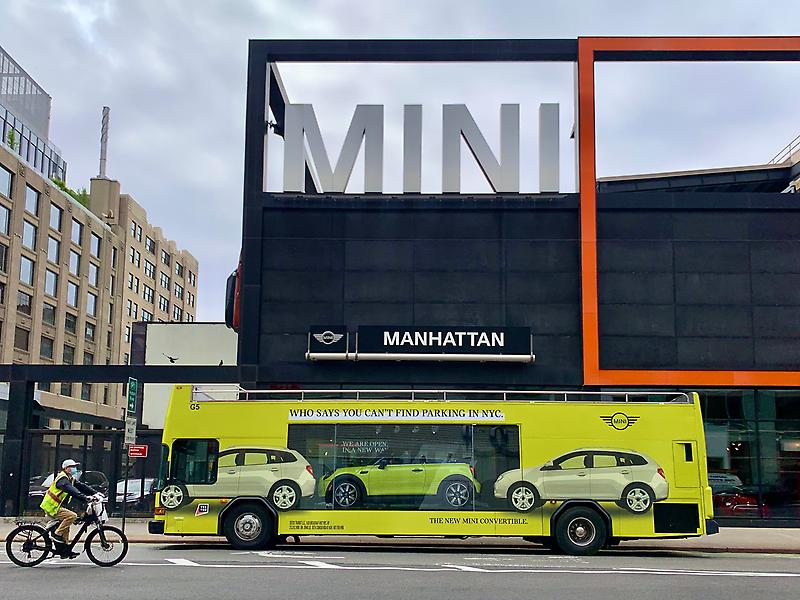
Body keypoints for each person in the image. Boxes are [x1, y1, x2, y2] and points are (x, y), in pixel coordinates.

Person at [39, 459, 98, 557]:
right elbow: (71, 490)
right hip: (51, 506)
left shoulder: (70, 478)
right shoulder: (62, 479)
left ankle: (65, 550)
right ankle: (57, 534)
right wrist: (84, 497)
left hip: (56, 506)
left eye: (75, 466)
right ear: (66, 468)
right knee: (72, 516)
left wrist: (95, 493)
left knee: (66, 527)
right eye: (72, 467)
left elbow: (81, 486)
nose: (75, 468)